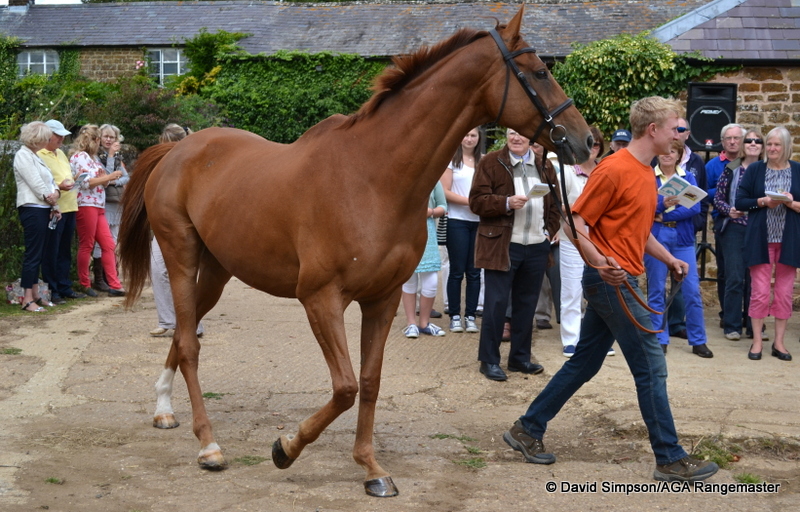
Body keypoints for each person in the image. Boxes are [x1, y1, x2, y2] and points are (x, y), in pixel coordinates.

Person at [503, 96, 719, 483]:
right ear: (653, 130)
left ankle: (527, 428)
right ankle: (670, 458)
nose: (681, 137)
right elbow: (575, 225)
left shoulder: (645, 171)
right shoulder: (615, 169)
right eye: (677, 129)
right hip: (609, 282)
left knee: (585, 362)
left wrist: (668, 258)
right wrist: (602, 262)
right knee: (652, 368)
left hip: (621, 279)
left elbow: (634, 230)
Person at [469, 128, 560, 382]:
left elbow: (555, 205)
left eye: (521, 133)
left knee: (526, 305)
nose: (516, 137)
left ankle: (520, 358)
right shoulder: (491, 162)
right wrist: (506, 203)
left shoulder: (544, 165)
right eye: (511, 133)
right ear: (506, 136)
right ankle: (489, 360)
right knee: (496, 304)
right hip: (503, 246)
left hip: (536, 246)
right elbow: (476, 202)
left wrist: (547, 233)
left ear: (532, 138)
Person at [735, 126, 800, 362]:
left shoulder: (798, 170)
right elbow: (740, 201)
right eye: (769, 144)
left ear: (786, 147)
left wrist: (791, 203)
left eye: (777, 145)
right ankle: (756, 342)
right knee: (760, 293)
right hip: (760, 240)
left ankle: (779, 343)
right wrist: (763, 201)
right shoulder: (755, 170)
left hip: (789, 241)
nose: (772, 148)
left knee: (783, 294)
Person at [645, 140, 712, 358]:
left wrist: (664, 215)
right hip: (656, 237)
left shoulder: (688, 178)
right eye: (665, 150)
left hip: (682, 237)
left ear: (679, 155)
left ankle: (698, 340)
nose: (668, 154)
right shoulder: (648, 177)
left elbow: (693, 208)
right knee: (656, 289)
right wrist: (659, 205)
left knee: (691, 290)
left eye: (673, 151)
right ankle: (659, 338)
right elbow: (643, 206)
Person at [558, 126, 616, 358]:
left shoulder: (604, 171)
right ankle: (571, 339)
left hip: (600, 239)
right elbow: (559, 205)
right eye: (588, 144)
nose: (592, 149)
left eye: (596, 145)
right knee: (572, 290)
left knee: (599, 290)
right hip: (572, 239)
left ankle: (599, 339)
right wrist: (586, 210)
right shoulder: (566, 171)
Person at [150, 124, 204, 337]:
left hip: (189, 224)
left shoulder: (193, 163)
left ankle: (192, 324)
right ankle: (168, 320)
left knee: (186, 272)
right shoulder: (166, 165)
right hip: (167, 223)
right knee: (157, 267)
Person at [713, 130, 764, 341]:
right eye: (749, 140)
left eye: (757, 140)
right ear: (743, 145)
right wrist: (728, 210)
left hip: (760, 229)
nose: (753, 143)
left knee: (756, 281)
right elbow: (718, 198)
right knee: (734, 278)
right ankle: (732, 326)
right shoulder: (731, 168)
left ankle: (754, 326)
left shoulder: (768, 170)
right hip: (735, 227)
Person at [69, 124, 125, 297]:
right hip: (85, 204)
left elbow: (101, 180)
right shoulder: (79, 157)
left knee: (109, 244)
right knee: (87, 244)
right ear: (93, 140)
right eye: (99, 139)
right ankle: (84, 282)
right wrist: (108, 177)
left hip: (98, 204)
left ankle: (114, 284)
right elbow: (86, 183)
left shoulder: (93, 159)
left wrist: (105, 178)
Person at [13, 121, 61, 312]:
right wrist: (52, 198)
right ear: (36, 138)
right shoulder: (23, 156)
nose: (48, 141)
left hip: (44, 207)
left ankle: (36, 294)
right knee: (33, 254)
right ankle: (26, 298)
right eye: (45, 138)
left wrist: (55, 197)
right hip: (32, 208)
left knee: (40, 253)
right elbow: (37, 183)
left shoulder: (35, 156)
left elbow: (50, 181)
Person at [38, 119, 86, 304]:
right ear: (47, 135)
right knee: (52, 250)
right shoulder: (40, 155)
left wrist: (75, 179)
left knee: (64, 250)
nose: (61, 139)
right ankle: (52, 290)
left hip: (69, 206)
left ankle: (64, 286)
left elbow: (64, 177)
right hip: (54, 208)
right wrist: (60, 186)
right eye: (57, 135)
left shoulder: (61, 154)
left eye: (62, 136)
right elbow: (42, 183)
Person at [440, 128, 483, 334]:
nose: (469, 138)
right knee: (457, 271)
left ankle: (471, 316)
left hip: (479, 221)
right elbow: (445, 191)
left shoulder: (483, 161)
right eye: (466, 135)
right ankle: (455, 315)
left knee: (475, 272)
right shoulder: (451, 161)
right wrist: (471, 202)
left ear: (479, 138)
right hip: (457, 220)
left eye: (473, 135)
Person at [706, 123, 745, 328]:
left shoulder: (750, 163)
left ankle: (748, 316)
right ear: (722, 142)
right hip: (724, 223)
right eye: (729, 138)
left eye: (736, 138)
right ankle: (727, 314)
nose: (732, 142)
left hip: (748, 223)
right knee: (726, 272)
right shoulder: (713, 165)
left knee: (746, 273)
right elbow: (703, 191)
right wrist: (724, 193)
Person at [401, 182, 448, 337]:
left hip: (428, 231)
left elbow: (443, 206)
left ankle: (424, 323)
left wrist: (432, 212)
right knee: (409, 278)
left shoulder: (434, 180)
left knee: (431, 281)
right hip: (405, 230)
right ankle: (411, 323)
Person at [91, 124, 130, 291]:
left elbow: (125, 177)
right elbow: (105, 174)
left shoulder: (117, 157)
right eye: (105, 136)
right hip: (103, 202)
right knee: (102, 242)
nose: (108, 140)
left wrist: (113, 180)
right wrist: (112, 173)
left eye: (112, 137)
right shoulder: (96, 156)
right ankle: (99, 279)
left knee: (113, 240)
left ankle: (109, 276)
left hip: (116, 203)